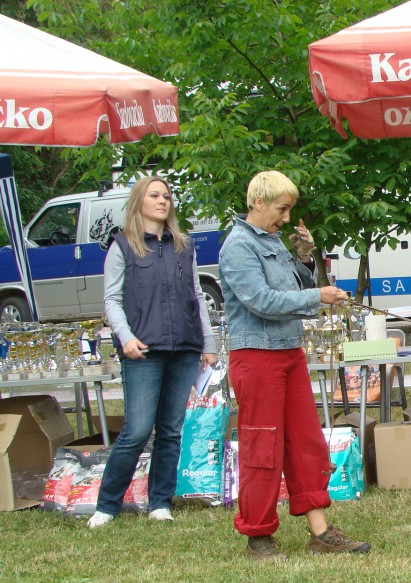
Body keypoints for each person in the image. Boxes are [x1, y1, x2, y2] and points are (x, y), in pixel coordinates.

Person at [219, 170, 370, 560]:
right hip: (256, 357)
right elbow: (262, 301)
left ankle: (320, 532)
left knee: (305, 443)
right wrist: (315, 296)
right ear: (258, 202)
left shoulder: (271, 241)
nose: (287, 218)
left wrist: (302, 257)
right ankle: (259, 537)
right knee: (263, 449)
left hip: (288, 352)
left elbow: (289, 287)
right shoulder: (237, 246)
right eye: (282, 209)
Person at [87, 176, 219, 529]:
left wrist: (208, 343)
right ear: (139, 202)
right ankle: (107, 504)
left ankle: (161, 501)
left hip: (184, 348)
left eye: (167, 195)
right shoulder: (123, 245)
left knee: (171, 430)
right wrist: (125, 336)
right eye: (155, 195)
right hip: (143, 350)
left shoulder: (183, 246)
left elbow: (196, 296)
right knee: (137, 430)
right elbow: (112, 299)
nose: (164, 200)